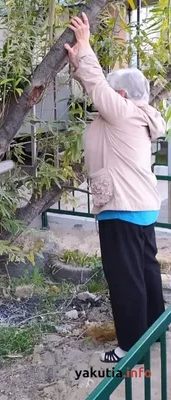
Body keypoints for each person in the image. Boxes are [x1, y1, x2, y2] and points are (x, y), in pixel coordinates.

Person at [64, 14, 166, 363]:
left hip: (121, 206)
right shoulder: (135, 113)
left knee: (125, 279)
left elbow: (97, 88)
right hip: (139, 205)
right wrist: (79, 65)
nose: (103, 95)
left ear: (121, 93)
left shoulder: (121, 112)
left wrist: (87, 44)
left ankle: (130, 347)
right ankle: (155, 326)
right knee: (145, 270)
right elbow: (95, 87)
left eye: (111, 89)